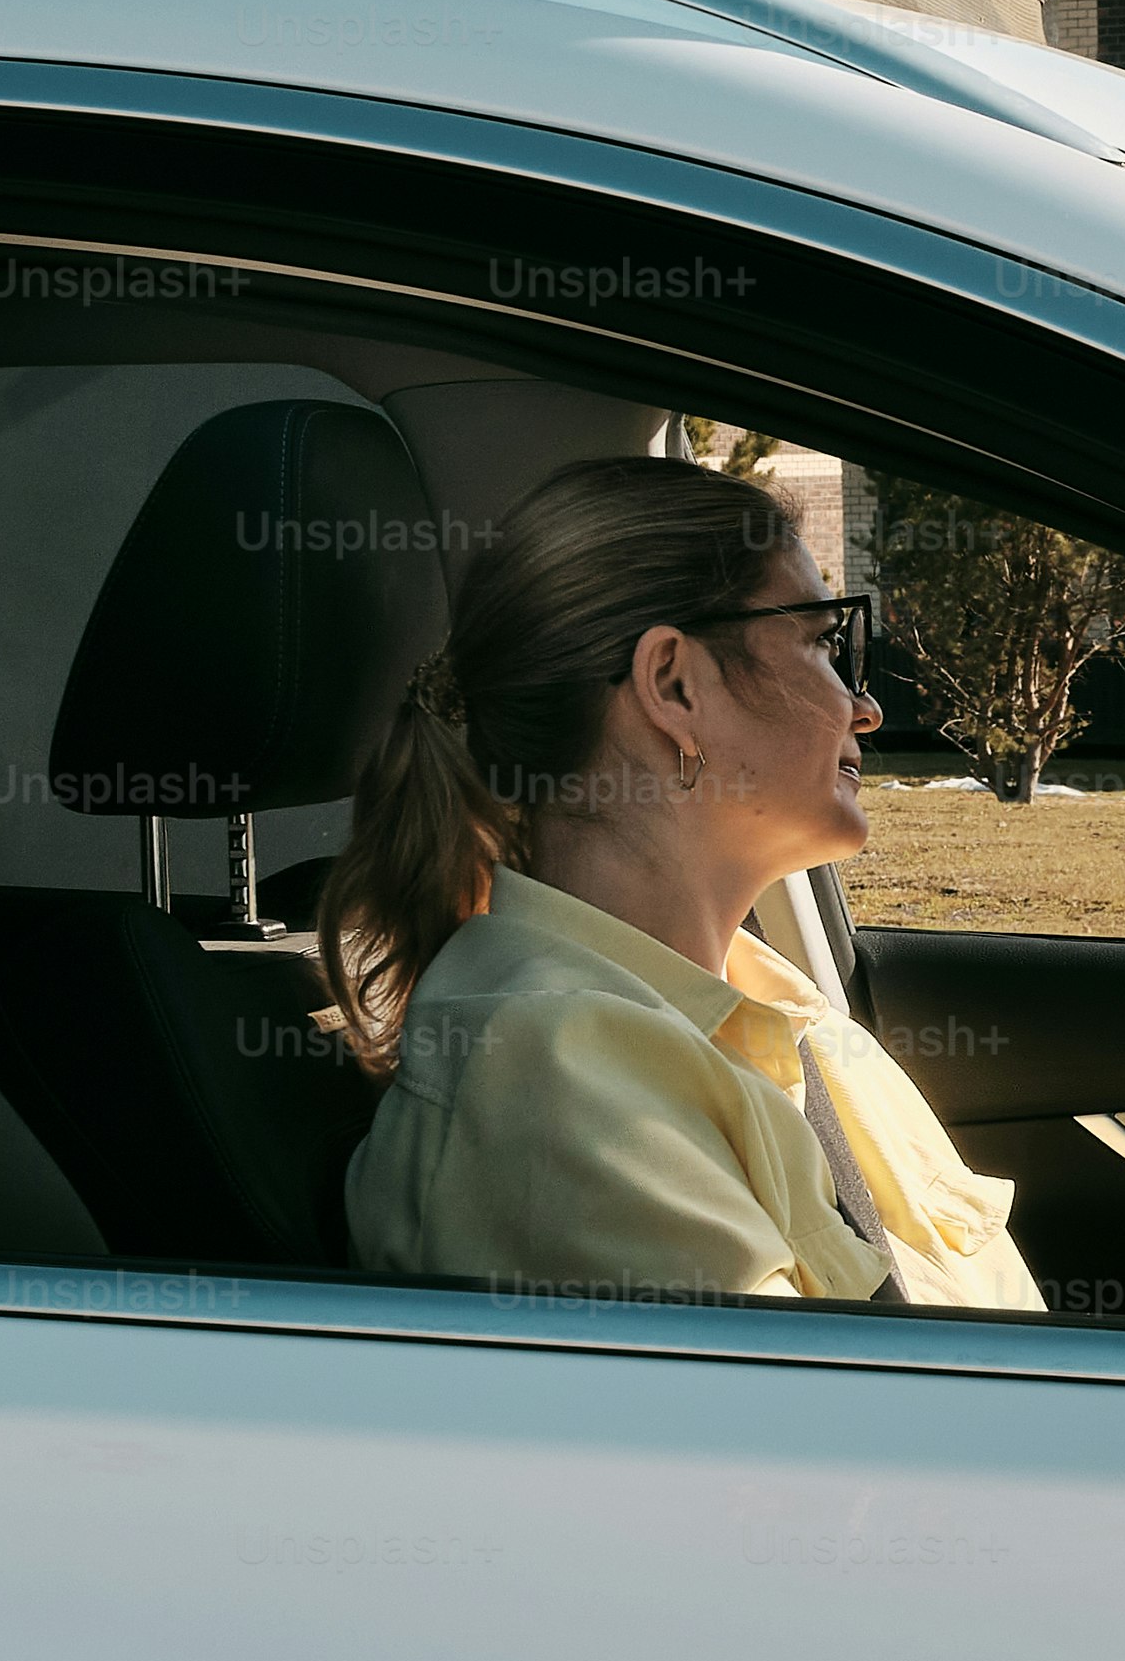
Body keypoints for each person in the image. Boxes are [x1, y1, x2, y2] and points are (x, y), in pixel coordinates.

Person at [322, 453, 1038, 1308]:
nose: (865, 708)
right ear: (674, 685)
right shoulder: (555, 1086)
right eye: (819, 640)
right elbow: (830, 1426)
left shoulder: (779, 1015)